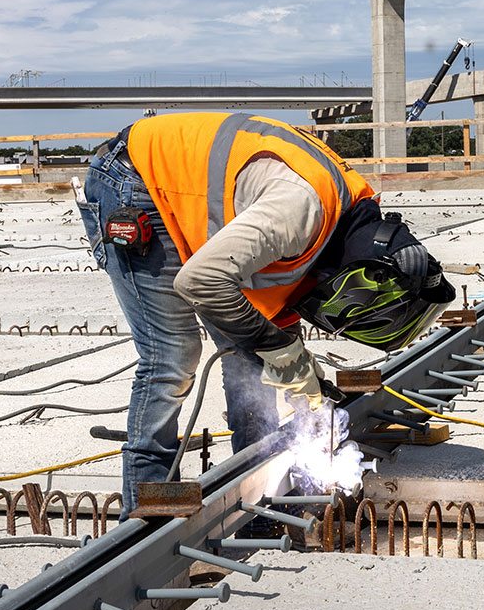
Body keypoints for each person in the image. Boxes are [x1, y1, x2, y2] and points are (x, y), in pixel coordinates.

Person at [76, 112, 446, 514]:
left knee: (250, 360)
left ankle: (251, 497)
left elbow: (276, 288)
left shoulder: (343, 221)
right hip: (136, 182)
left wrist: (298, 372)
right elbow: (199, 284)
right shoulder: (298, 212)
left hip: (179, 194)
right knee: (172, 356)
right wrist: (282, 352)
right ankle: (146, 508)